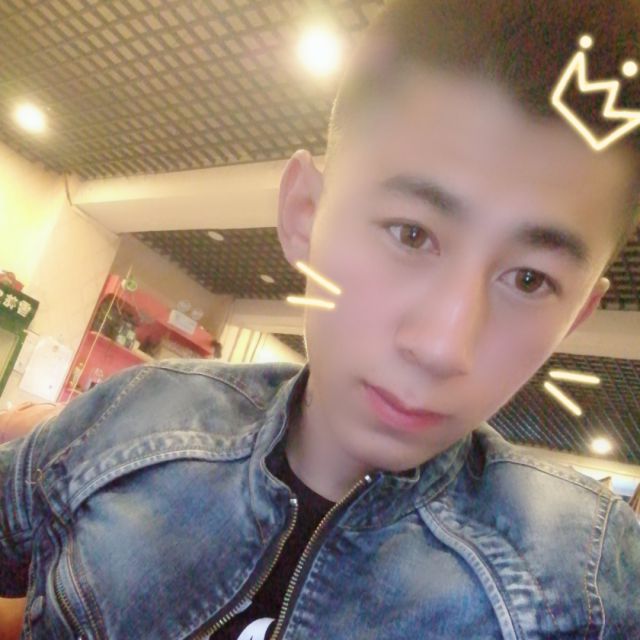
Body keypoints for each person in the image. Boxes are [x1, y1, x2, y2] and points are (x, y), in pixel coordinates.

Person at [2, 0, 640, 638]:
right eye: (411, 233)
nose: (444, 346)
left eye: (530, 280)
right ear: (305, 215)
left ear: (577, 315)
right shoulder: (131, 420)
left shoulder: (585, 580)